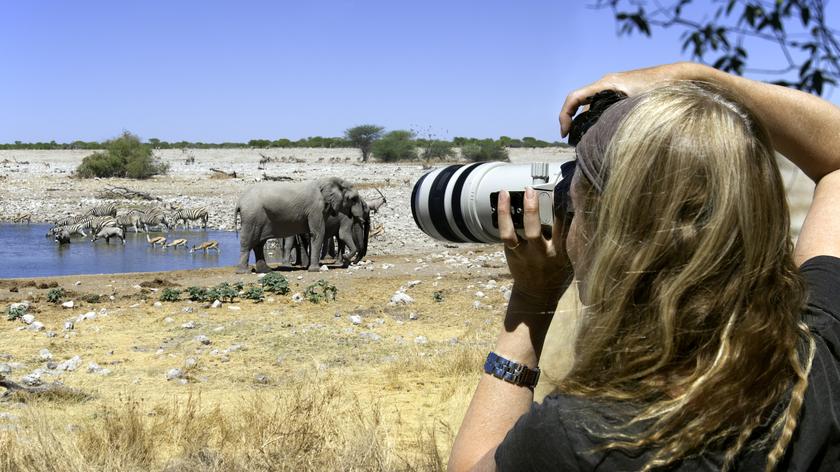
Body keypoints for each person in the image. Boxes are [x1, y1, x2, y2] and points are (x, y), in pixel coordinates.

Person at [448, 62, 840, 471]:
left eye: (576, 209)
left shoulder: (589, 437)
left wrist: (530, 300)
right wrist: (700, 78)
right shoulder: (814, 354)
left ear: (610, 239)